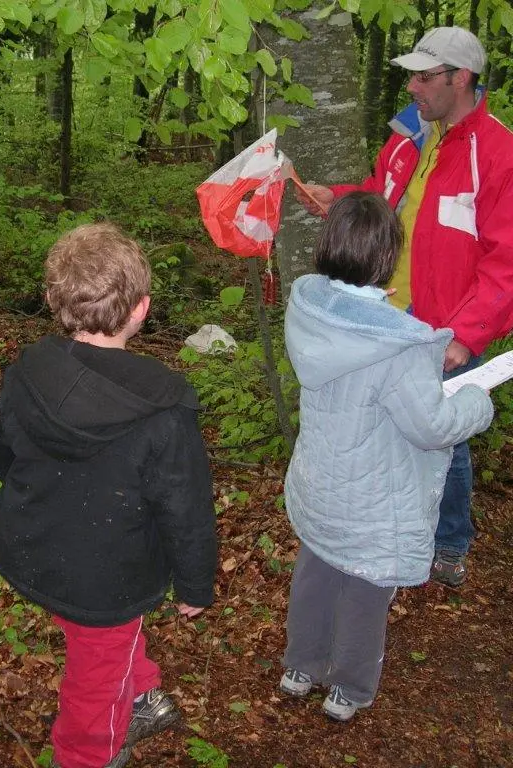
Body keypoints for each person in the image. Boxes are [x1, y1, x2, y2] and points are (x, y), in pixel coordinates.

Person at [0, 223, 218, 768]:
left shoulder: (24, 374)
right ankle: (86, 753)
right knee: (95, 679)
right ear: (142, 308)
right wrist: (195, 583)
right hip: (106, 578)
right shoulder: (164, 410)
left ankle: (137, 691)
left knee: (102, 642)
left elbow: (3, 458)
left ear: (52, 300)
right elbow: (185, 509)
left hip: (33, 544)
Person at [295, 26, 513, 587]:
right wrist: (337, 199)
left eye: (423, 75)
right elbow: (380, 194)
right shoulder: (408, 135)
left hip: (440, 328)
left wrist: (464, 337)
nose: (412, 85)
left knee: (444, 436)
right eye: (411, 74)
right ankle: (390, 526)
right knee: (385, 429)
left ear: (459, 78)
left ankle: (448, 541)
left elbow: (506, 262)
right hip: (382, 314)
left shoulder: (498, 155)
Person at [278, 192, 494, 722]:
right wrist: (475, 402)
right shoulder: (400, 348)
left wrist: (371, 303)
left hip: (319, 482)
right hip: (373, 498)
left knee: (317, 571)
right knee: (366, 588)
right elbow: (431, 426)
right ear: (386, 258)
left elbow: (349, 328)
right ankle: (348, 688)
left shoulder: (307, 308)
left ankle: (300, 666)